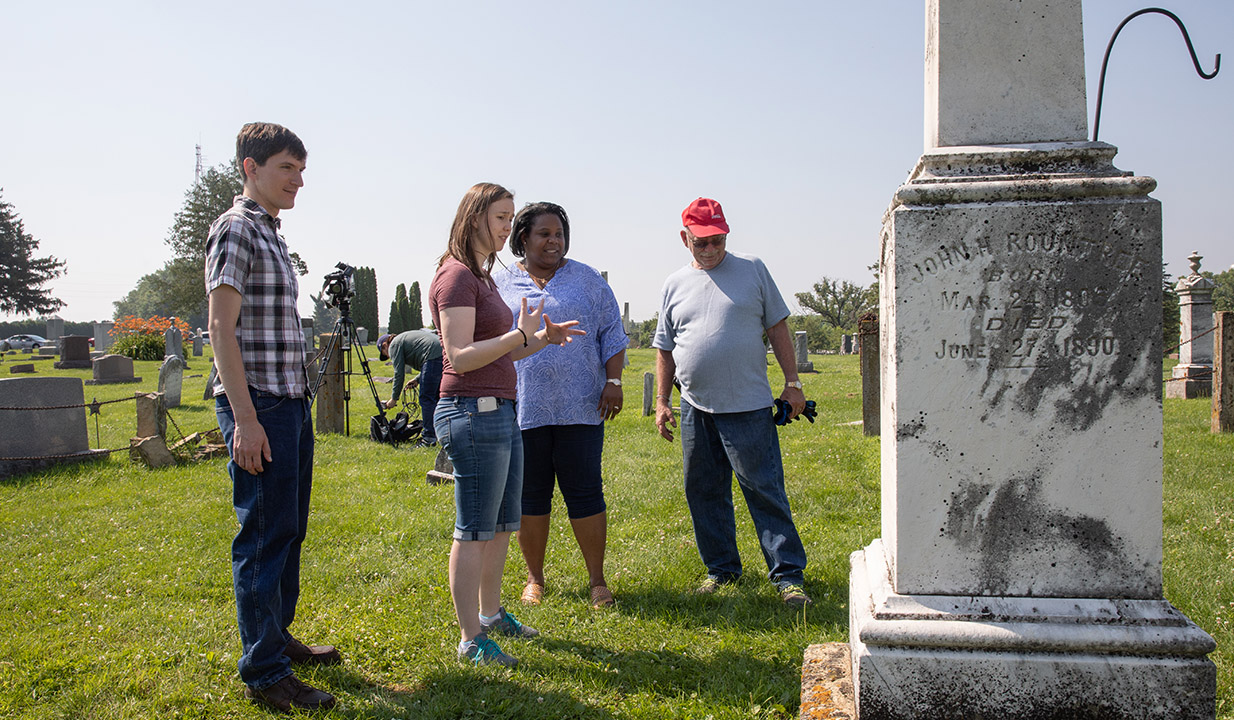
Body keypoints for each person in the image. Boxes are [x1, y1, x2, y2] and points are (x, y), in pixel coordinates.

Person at [204, 122, 339, 713]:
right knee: (262, 535)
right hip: (257, 404)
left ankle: (276, 636)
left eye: (301, 170)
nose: (298, 181)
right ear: (249, 168)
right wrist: (246, 420)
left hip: (288, 403)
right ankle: (263, 671)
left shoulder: (271, 233)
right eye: (287, 168)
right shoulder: (236, 231)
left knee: (288, 528)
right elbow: (219, 329)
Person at [429, 182, 585, 667]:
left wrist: (538, 338)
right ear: (474, 217)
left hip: (500, 409)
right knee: (473, 529)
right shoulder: (456, 276)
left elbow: (506, 349)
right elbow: (458, 356)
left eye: (510, 217)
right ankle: (469, 639)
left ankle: (492, 616)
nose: (508, 227)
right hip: (471, 412)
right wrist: (518, 333)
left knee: (500, 526)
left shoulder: (482, 277)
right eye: (500, 217)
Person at [652, 197, 812, 606]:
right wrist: (662, 401)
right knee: (703, 490)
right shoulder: (674, 284)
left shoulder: (753, 270)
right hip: (695, 407)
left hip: (748, 406)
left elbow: (777, 327)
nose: (711, 249)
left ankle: (787, 576)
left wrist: (792, 383)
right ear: (684, 238)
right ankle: (721, 570)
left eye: (718, 240)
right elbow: (665, 348)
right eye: (702, 242)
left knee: (763, 489)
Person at [493, 202, 628, 609]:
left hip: (581, 406)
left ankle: (597, 581)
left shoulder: (586, 279)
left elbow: (612, 332)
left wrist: (614, 381)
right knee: (531, 496)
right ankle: (535, 579)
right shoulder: (501, 282)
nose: (554, 242)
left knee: (585, 492)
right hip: (523, 408)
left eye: (559, 234)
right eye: (544, 234)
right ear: (523, 238)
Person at [376, 329, 443, 448]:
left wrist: (393, 399)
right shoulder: (403, 338)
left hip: (432, 356)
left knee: (427, 398)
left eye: (385, 354)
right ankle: (441, 434)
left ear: (385, 345)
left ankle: (428, 439)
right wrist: (417, 379)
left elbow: (399, 374)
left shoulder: (394, 345)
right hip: (443, 353)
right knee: (437, 398)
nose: (388, 356)